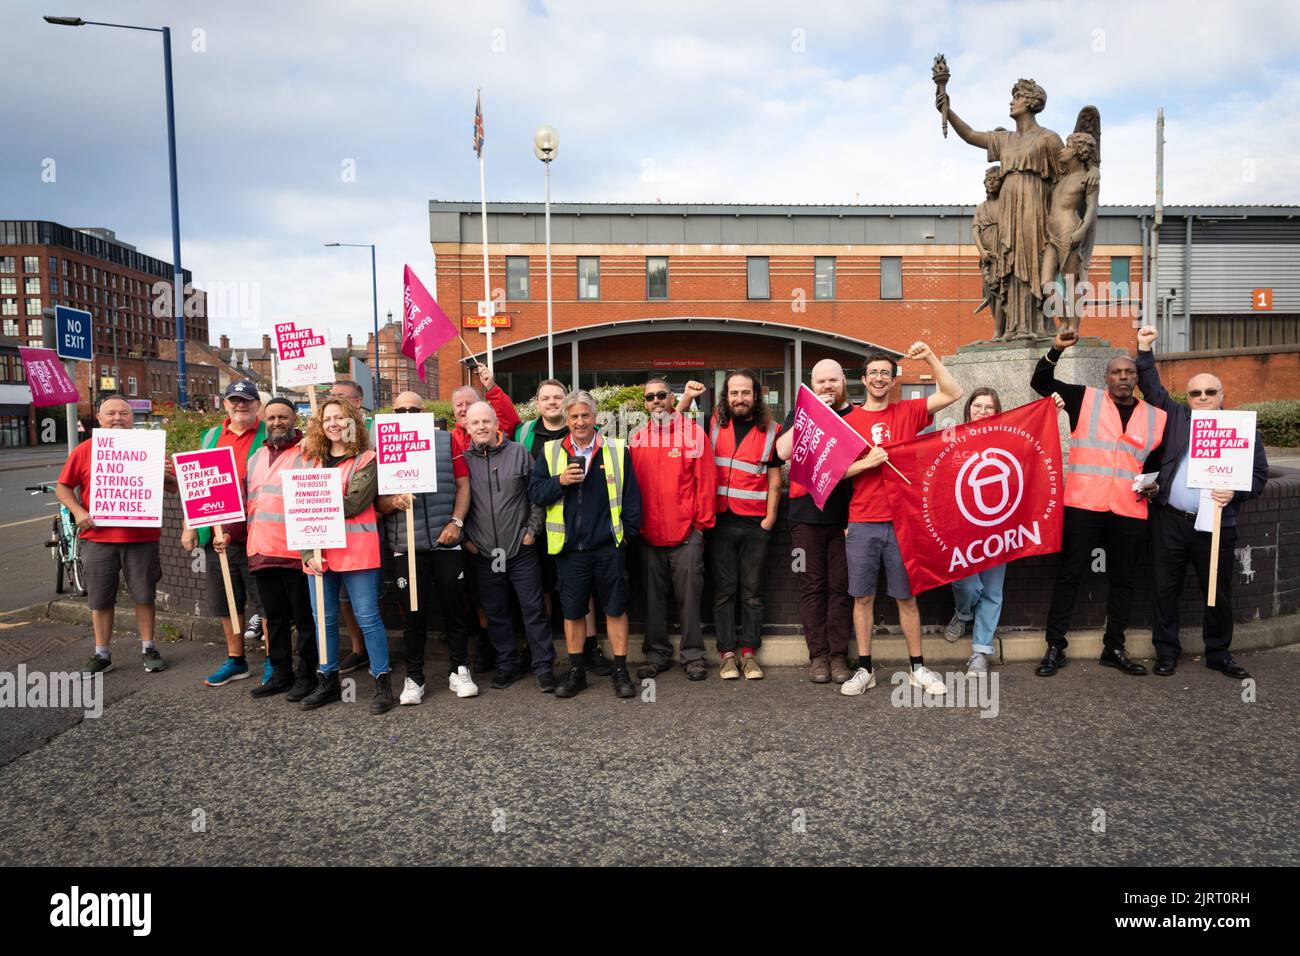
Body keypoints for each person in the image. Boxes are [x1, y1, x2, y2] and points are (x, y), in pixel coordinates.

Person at [1031, 328, 1168, 677]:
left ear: (1138, 378)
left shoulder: (1156, 417)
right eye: (1117, 373)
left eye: (1130, 373)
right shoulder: (1083, 399)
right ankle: (1055, 647)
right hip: (1083, 505)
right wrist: (1055, 350)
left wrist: (1156, 486)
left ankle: (1114, 647)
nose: (1124, 378)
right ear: (1105, 377)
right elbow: (1041, 382)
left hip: (1129, 509)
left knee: (1123, 580)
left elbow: (1156, 464)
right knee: (1070, 576)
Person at [1136, 327, 1268, 679]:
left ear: (1223, 394)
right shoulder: (1178, 418)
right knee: (1165, 588)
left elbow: (1258, 477)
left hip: (1216, 521)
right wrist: (1144, 350)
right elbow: (1152, 389)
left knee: (1217, 590)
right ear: (1189, 397)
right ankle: (1166, 652)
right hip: (1171, 521)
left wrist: (1235, 493)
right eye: (1196, 392)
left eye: (1211, 391)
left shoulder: (1242, 430)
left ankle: (1218, 653)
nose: (1203, 396)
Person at [839, 343, 963, 697]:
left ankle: (917, 668)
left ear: (893, 380)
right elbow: (836, 472)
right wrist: (868, 463)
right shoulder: (848, 421)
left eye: (886, 373)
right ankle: (864, 669)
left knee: (906, 598)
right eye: (873, 373)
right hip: (862, 520)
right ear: (863, 379)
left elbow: (953, 392)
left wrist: (929, 358)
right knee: (862, 597)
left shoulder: (908, 412)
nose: (879, 378)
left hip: (902, 522)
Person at [529, 390, 642, 699]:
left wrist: (625, 537)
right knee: (573, 612)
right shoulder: (551, 453)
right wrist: (560, 482)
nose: (580, 421)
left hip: (608, 547)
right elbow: (536, 494)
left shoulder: (617, 450)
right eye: (574, 416)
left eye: (585, 415)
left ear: (595, 418)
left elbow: (631, 499)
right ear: (567, 419)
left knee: (616, 609)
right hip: (570, 551)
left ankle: (621, 670)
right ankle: (577, 670)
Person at [58, 395, 169, 677]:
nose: (118, 418)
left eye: (124, 413)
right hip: (98, 538)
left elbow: (173, 489)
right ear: (99, 417)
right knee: (100, 599)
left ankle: (148, 648)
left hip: (141, 537)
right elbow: (63, 487)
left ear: (134, 418)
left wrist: (169, 474)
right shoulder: (85, 450)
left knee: (145, 596)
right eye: (111, 414)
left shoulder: (151, 448)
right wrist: (78, 511)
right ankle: (102, 654)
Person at [375, 392, 475, 703]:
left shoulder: (446, 441)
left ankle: (459, 670)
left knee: (455, 609)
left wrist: (456, 523)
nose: (406, 413)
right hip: (407, 545)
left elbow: (463, 484)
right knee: (413, 614)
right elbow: (377, 502)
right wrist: (393, 502)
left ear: (425, 411)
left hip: (446, 541)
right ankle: (414, 677)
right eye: (400, 410)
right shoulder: (383, 446)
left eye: (413, 409)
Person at [297, 397, 394, 714]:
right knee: (322, 620)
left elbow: (354, 503)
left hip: (356, 551)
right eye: (327, 419)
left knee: (367, 617)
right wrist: (307, 551)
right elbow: (300, 511)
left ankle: (382, 681)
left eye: (340, 417)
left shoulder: (367, 459)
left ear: (352, 421)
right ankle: (327, 681)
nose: (333, 424)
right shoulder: (310, 463)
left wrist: (318, 501)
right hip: (317, 553)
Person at [514, 378, 613, 676]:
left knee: (585, 592)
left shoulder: (589, 437)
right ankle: (538, 649)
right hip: (541, 529)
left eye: (558, 397)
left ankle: (590, 648)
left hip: (580, 533)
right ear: (538, 402)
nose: (553, 402)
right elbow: (531, 487)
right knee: (542, 588)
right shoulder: (526, 433)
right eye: (546, 398)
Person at [461, 401, 556, 692]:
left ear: (496, 423)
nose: (481, 427)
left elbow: (536, 496)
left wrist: (532, 532)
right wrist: (467, 541)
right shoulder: (463, 459)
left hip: (520, 549)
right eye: (475, 423)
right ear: (467, 427)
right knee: (496, 612)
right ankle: (507, 665)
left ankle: (544, 668)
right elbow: (457, 500)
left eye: (486, 421)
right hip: (485, 553)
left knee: (533, 610)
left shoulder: (519, 453)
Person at [774, 359, 856, 684]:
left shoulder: (855, 415)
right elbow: (781, 451)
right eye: (820, 382)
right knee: (812, 586)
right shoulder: (800, 414)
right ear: (812, 384)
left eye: (833, 381)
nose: (827, 387)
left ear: (843, 381)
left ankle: (838, 656)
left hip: (846, 519)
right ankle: (817, 656)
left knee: (841, 588)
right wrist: (811, 417)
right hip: (805, 519)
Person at [629, 376, 716, 682]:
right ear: (644, 403)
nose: (656, 401)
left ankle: (693, 656)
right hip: (648, 536)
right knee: (653, 600)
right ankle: (656, 654)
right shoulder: (637, 439)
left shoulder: (693, 434)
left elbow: (706, 483)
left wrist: (700, 528)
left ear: (671, 398)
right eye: (650, 397)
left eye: (661, 395)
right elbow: (632, 489)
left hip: (686, 535)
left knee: (690, 598)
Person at [183, 380, 268, 688]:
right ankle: (236, 660)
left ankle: (274, 660)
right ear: (225, 404)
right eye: (234, 400)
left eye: (246, 400)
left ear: (257, 405)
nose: (240, 405)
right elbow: (196, 484)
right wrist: (190, 524)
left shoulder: (269, 434)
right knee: (227, 600)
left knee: (267, 601)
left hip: (260, 533)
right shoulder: (210, 437)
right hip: (219, 536)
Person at [703, 369, 782, 680]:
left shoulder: (772, 430)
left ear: (756, 396)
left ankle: (749, 654)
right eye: (734, 393)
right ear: (726, 396)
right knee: (724, 590)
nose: (739, 398)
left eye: (745, 393)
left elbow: (775, 478)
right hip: (720, 520)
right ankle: (727, 654)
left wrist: (771, 518)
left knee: (751, 591)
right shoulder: (713, 424)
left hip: (755, 524)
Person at [239, 397, 319, 700]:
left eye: (283, 417)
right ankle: (281, 674)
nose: (276, 423)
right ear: (264, 419)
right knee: (274, 619)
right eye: (271, 417)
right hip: (261, 549)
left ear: (294, 419)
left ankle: (307, 675)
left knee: (304, 619)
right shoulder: (256, 456)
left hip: (296, 552)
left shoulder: (308, 451)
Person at [450, 364, 522, 673]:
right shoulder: (448, 441)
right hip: (471, 537)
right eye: (460, 407)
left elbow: (511, 417)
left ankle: (510, 652)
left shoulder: (497, 433)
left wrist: (492, 387)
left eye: (470, 404)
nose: (466, 411)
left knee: (508, 599)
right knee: (478, 598)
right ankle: (486, 644)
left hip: (507, 537)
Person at [944, 388, 1008, 675]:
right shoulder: (953, 439)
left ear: (997, 412)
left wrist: (1050, 414)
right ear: (968, 409)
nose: (982, 411)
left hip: (999, 526)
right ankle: (964, 613)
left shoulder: (1007, 440)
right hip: (962, 528)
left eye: (989, 407)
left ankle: (981, 652)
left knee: (992, 590)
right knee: (967, 584)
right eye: (977, 406)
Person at [326, 379, 373, 675]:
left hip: (366, 532)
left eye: (340, 399)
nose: (333, 403)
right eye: (330, 398)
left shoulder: (374, 434)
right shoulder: (320, 441)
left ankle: (375, 657)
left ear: (356, 403)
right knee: (341, 600)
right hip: (327, 537)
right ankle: (358, 650)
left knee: (369, 603)